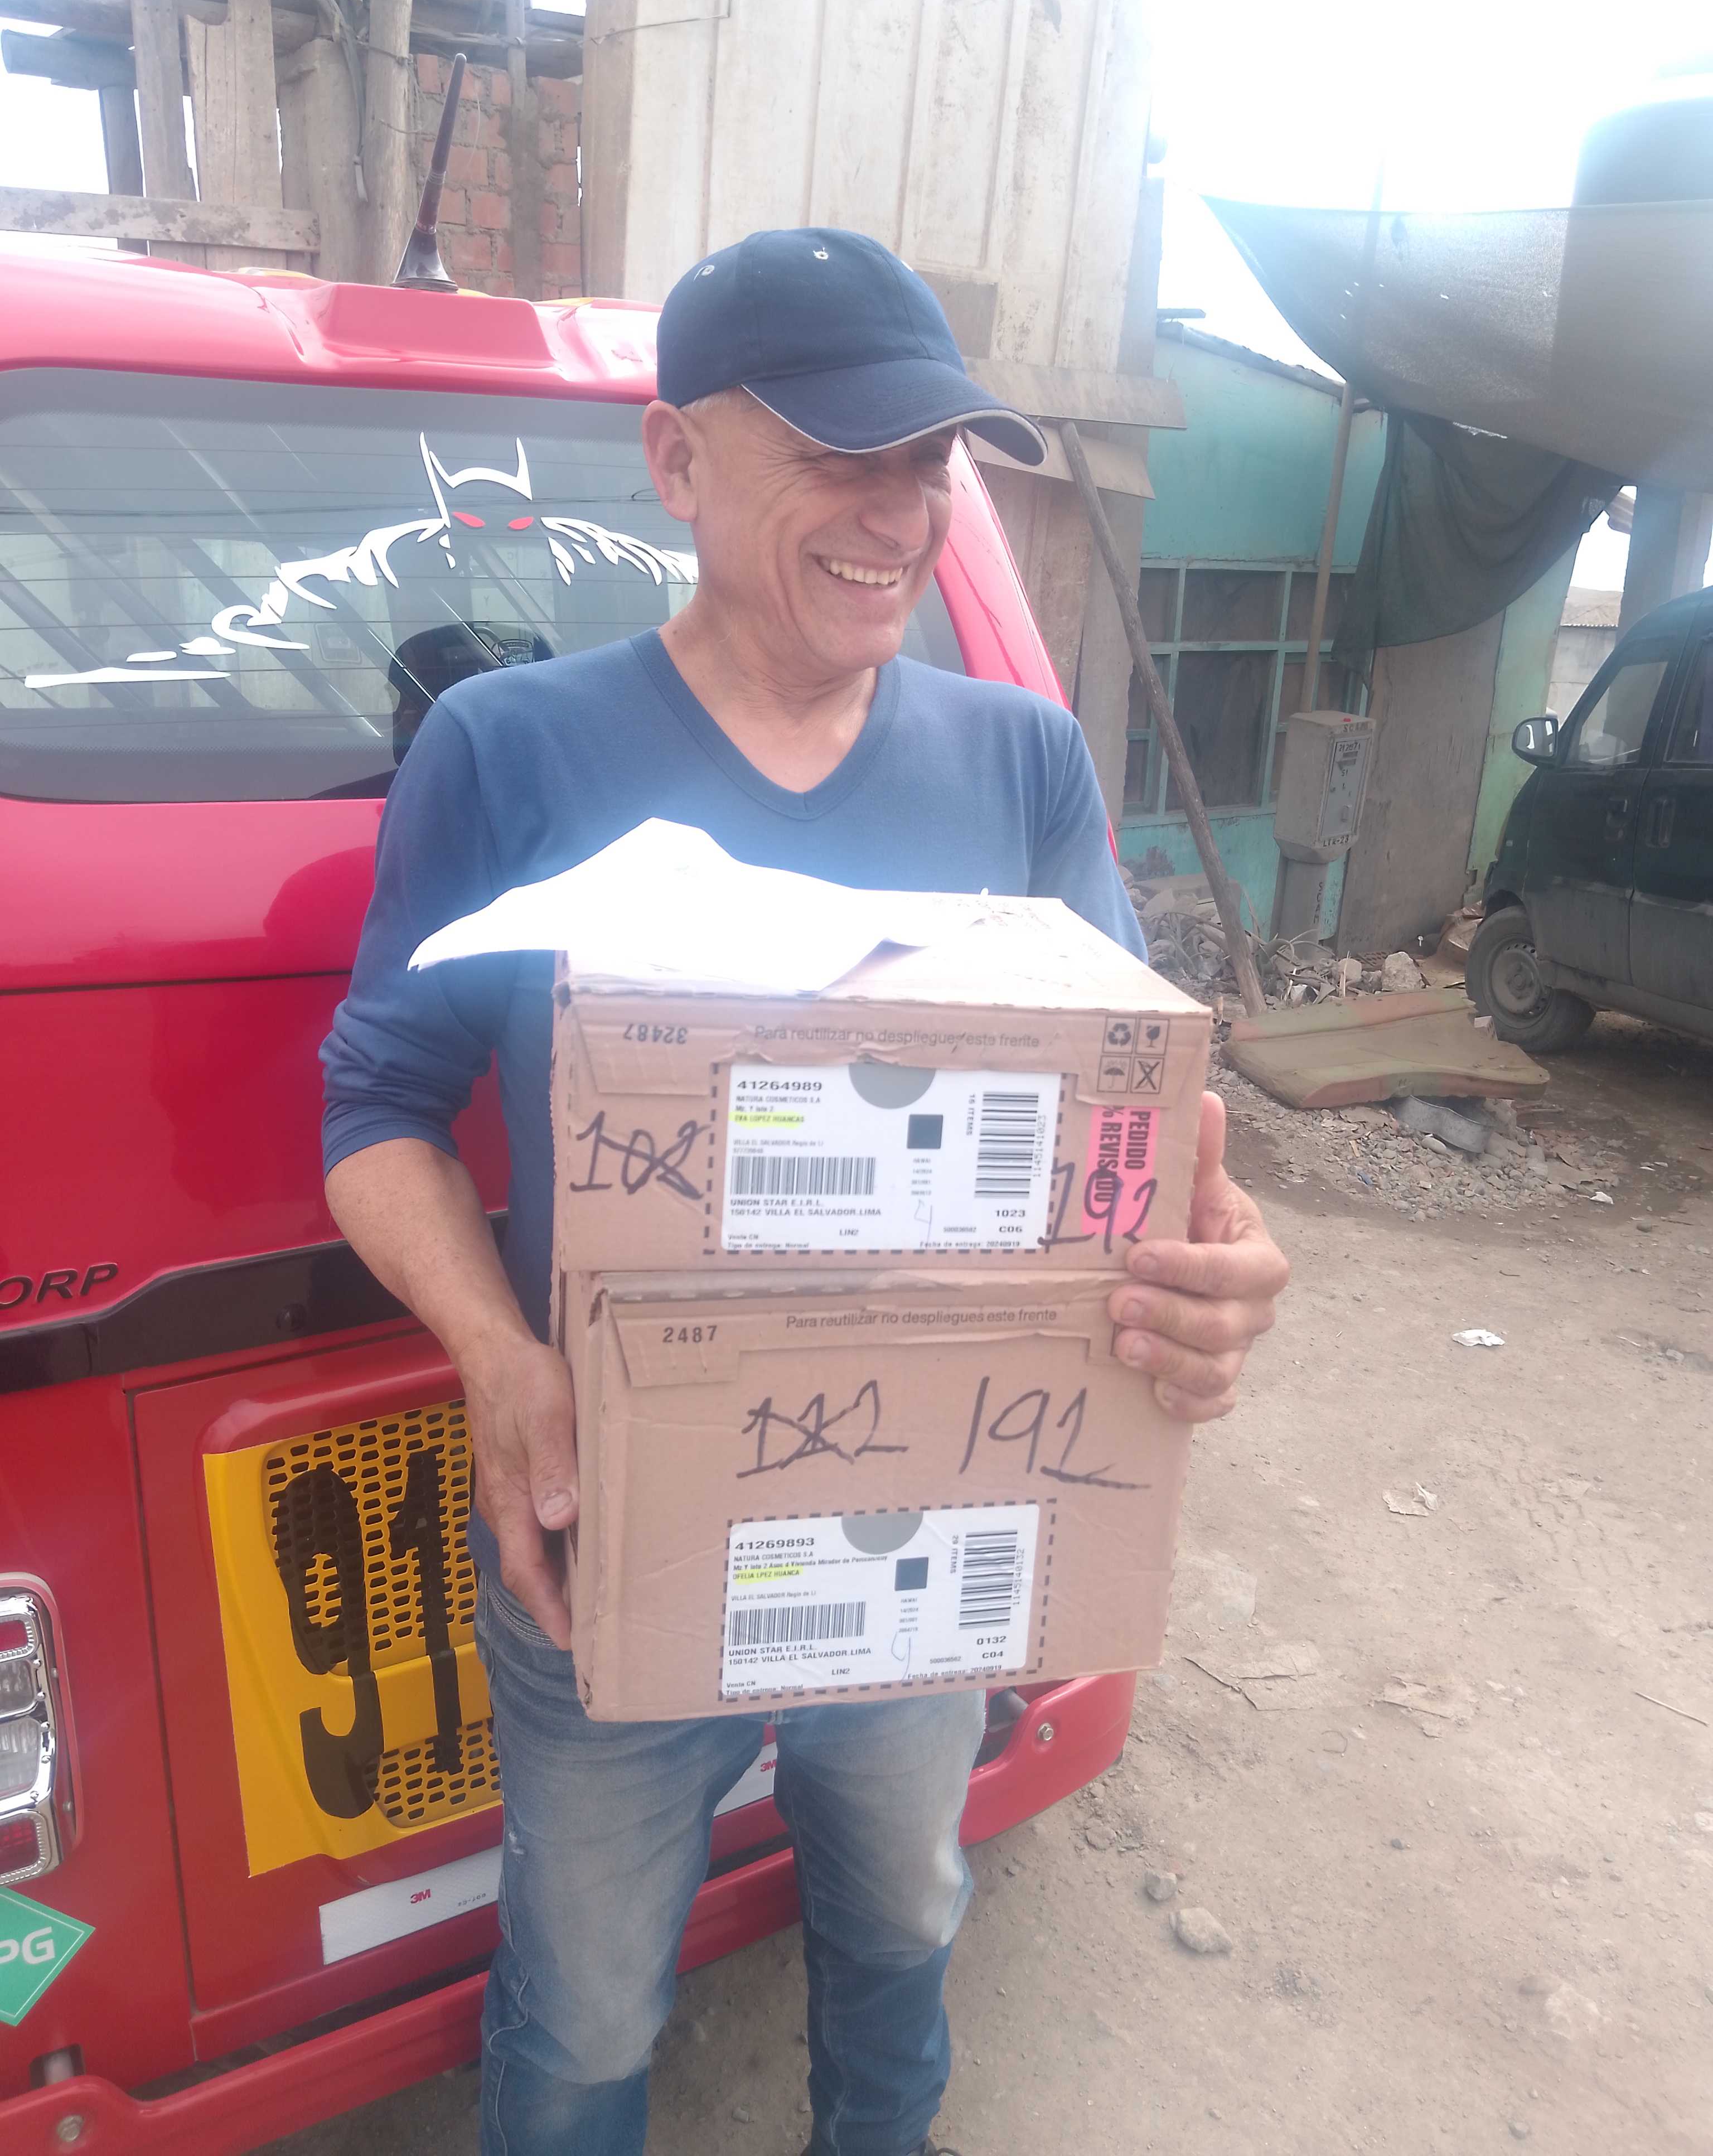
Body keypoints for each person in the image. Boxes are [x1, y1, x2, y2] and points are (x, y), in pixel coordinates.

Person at [321, 226, 1289, 2156]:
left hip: (930, 1506)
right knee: (587, 2005)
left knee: (908, 1914)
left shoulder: (1018, 763)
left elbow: (1128, 1115)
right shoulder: (515, 750)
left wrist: (1218, 1262)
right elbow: (377, 1106)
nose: (900, 513)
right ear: (677, 459)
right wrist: (501, 1359)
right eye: (841, 456)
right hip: (616, 1506)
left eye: (928, 462)